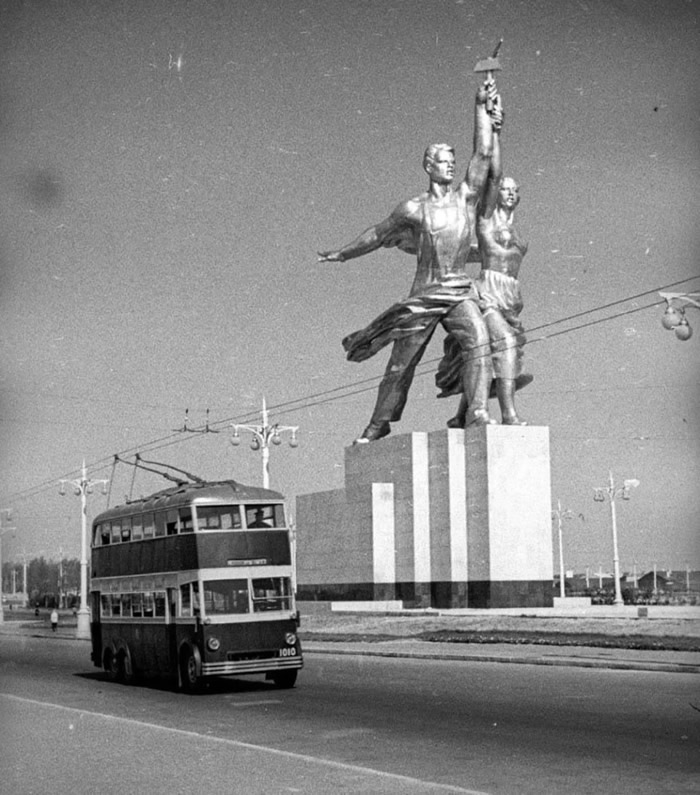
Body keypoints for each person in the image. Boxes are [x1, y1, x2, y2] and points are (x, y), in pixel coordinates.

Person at [319, 79, 503, 442]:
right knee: (402, 363)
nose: (451, 168)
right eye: (445, 163)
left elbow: (482, 154)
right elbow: (378, 233)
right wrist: (343, 253)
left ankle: (478, 410)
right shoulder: (413, 209)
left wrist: (481, 106)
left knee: (478, 339)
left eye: (453, 163)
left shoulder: (465, 197)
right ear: (428, 166)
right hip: (424, 295)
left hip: (457, 290)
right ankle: (377, 424)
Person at [436, 128, 530, 426]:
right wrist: (495, 132)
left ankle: (462, 414)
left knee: (486, 354)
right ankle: (509, 414)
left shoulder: (518, 233)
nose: (510, 193)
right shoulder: (487, 220)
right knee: (503, 343)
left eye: (515, 190)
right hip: (488, 292)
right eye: (506, 189)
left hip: (511, 299)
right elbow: (493, 173)